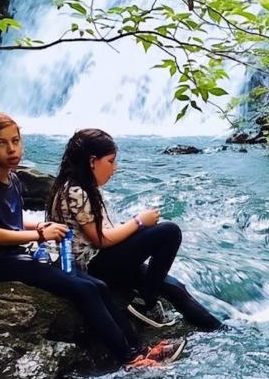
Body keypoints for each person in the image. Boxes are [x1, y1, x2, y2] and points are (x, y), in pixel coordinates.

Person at [0, 112, 183, 369]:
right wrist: (40, 235)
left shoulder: (12, 178)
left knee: (97, 285)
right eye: (1, 143)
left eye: (15, 141)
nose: (11, 149)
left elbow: (12, 220)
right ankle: (130, 359)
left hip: (15, 254)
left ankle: (140, 349)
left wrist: (39, 225)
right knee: (84, 290)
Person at [47, 128, 223, 331]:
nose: (115, 168)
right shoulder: (76, 191)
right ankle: (146, 300)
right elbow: (100, 240)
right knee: (169, 232)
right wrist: (138, 222)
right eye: (111, 161)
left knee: (174, 288)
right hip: (91, 267)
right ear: (92, 161)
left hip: (101, 261)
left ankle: (219, 330)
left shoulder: (79, 187)